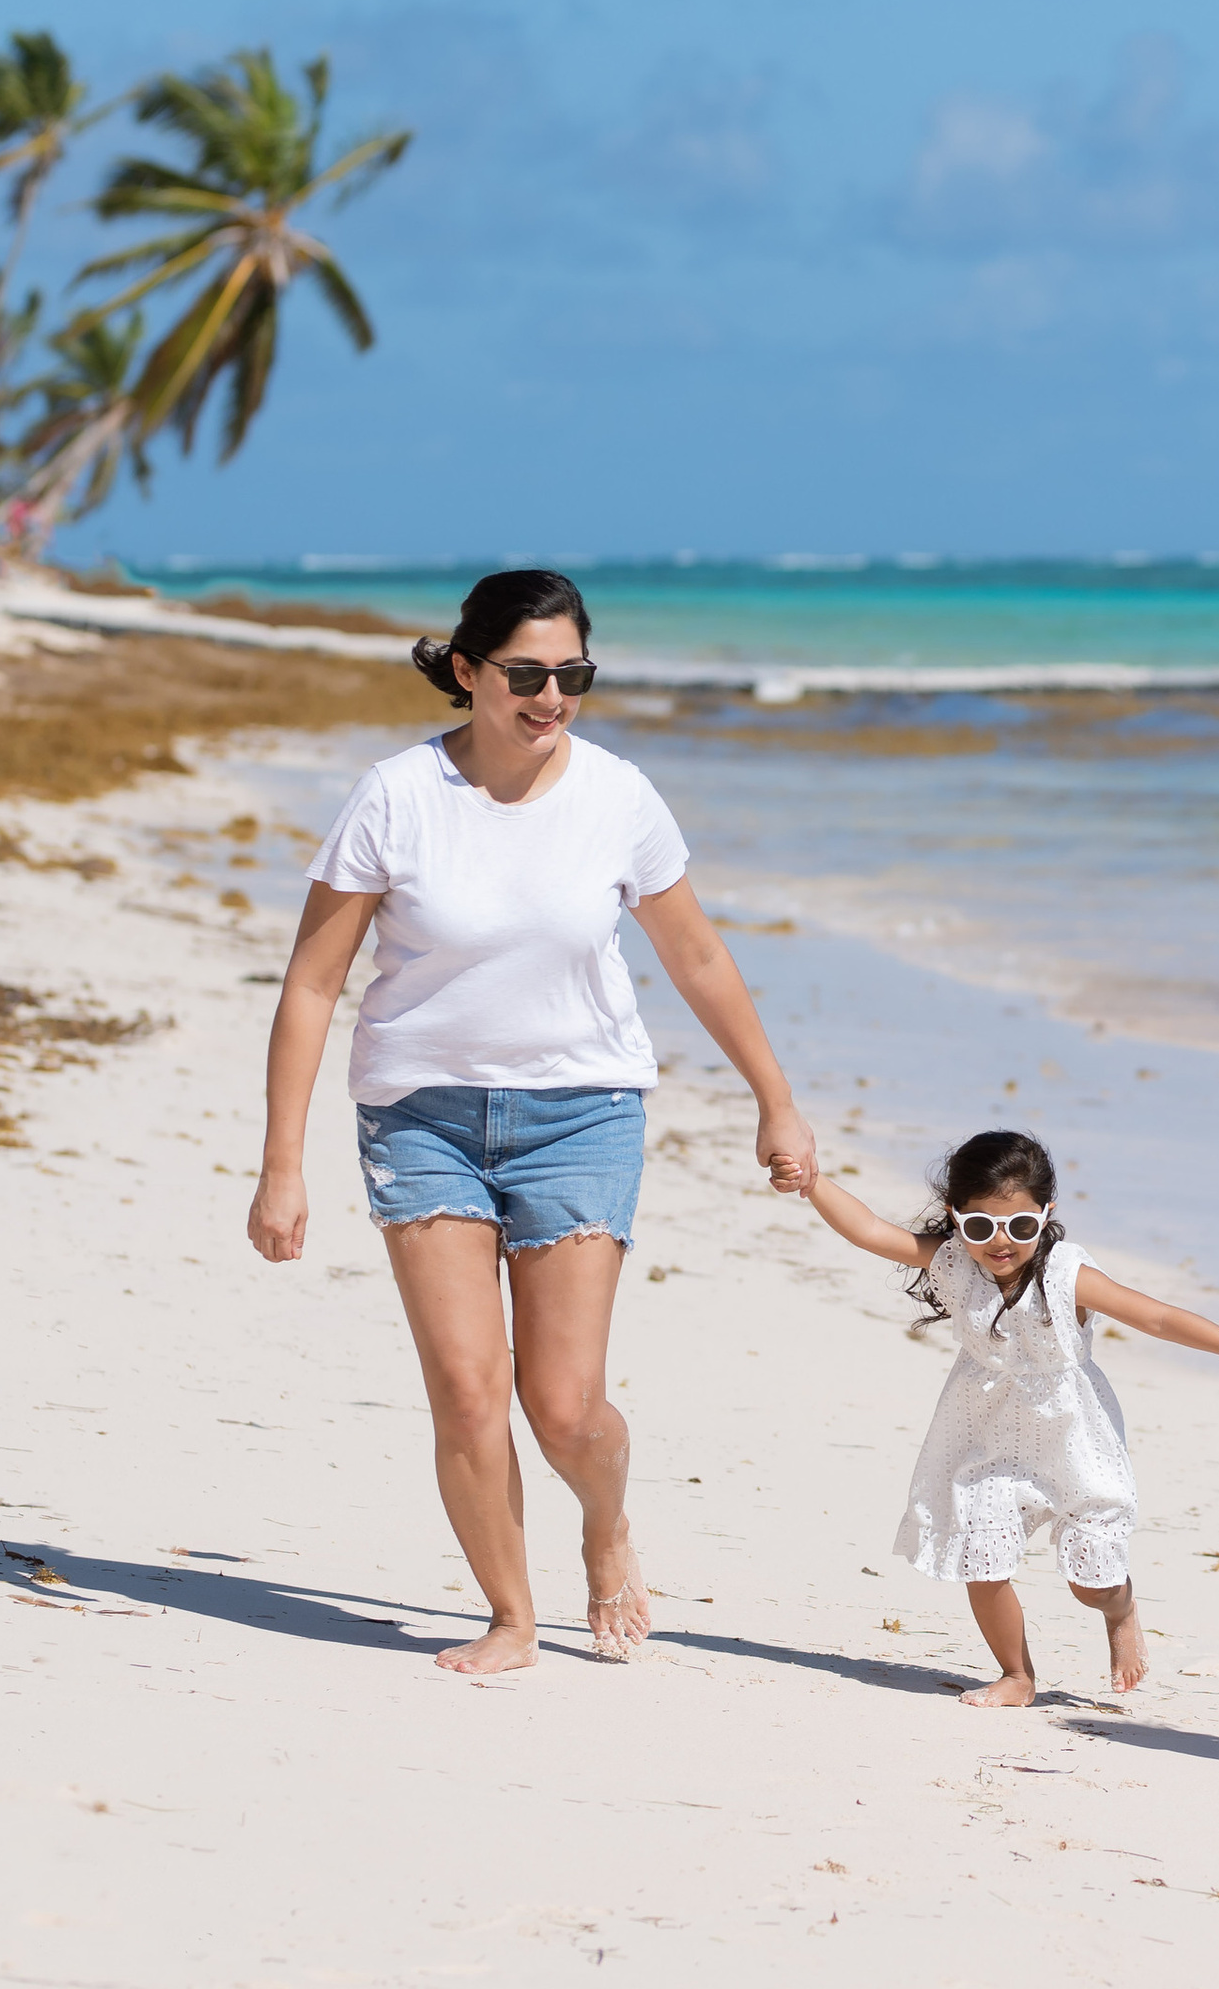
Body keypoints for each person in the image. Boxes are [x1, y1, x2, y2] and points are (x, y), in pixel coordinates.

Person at [247, 567, 815, 1679]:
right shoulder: (396, 796)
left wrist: (775, 1099)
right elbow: (312, 984)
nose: (551, 696)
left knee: (562, 1409)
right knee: (466, 1392)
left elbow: (694, 955)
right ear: (466, 673)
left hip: (580, 1116)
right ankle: (512, 1614)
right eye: (526, 674)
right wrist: (282, 1166)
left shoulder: (618, 796)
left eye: (573, 674)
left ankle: (605, 1525)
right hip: (421, 1118)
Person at [798, 1125, 1219, 1707]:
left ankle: (1122, 1609)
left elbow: (1156, 1318)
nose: (999, 1242)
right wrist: (811, 1181)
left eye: (1020, 1226)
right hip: (982, 1436)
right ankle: (1017, 1675)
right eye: (980, 1226)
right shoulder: (956, 1264)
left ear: (1045, 1213)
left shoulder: (1066, 1278)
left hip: (1072, 1439)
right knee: (983, 1561)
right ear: (957, 1219)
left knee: (1092, 1583)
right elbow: (871, 1231)